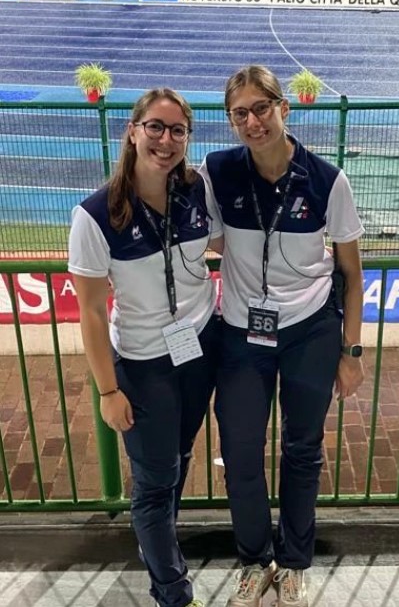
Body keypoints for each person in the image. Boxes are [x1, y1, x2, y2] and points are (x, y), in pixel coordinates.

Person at [199, 66, 365, 607]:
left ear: (283, 108)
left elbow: (352, 273)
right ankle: (255, 560)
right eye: (240, 114)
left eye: (261, 108)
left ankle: (294, 561)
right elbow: (205, 236)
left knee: (302, 449)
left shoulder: (327, 180)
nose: (253, 122)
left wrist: (351, 351)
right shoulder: (217, 170)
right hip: (242, 333)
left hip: (311, 332)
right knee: (240, 450)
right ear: (231, 121)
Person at [68, 88, 223, 607]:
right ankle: (173, 592)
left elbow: (223, 243)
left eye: (178, 130)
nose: (166, 139)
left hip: (199, 347)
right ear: (132, 131)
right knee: (155, 483)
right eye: (155, 126)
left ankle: (158, 541)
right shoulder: (95, 215)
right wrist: (107, 391)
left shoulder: (197, 191)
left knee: (178, 456)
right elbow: (91, 313)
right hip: (142, 363)